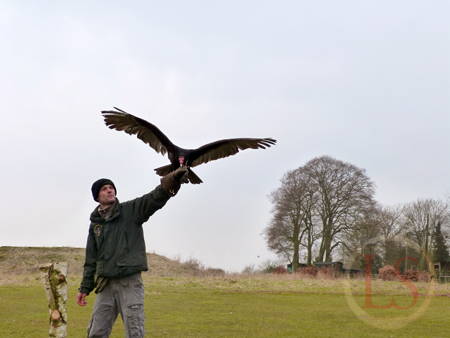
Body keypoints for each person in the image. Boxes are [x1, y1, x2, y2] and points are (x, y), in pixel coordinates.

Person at [77, 166, 187, 338]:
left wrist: (172, 180)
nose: (109, 190)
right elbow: (91, 260)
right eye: (104, 189)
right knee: (95, 333)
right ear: (97, 197)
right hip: (105, 284)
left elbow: (153, 199)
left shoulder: (130, 211)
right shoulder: (95, 225)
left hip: (129, 283)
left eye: (111, 187)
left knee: (134, 332)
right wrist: (85, 288)